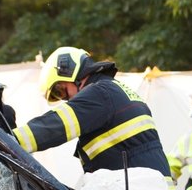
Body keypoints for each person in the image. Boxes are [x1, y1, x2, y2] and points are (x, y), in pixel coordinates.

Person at [13, 47, 169, 176]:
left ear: (68, 69)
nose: (66, 99)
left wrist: (8, 139)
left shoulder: (99, 93)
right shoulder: (113, 90)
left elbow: (54, 126)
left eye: (60, 91)